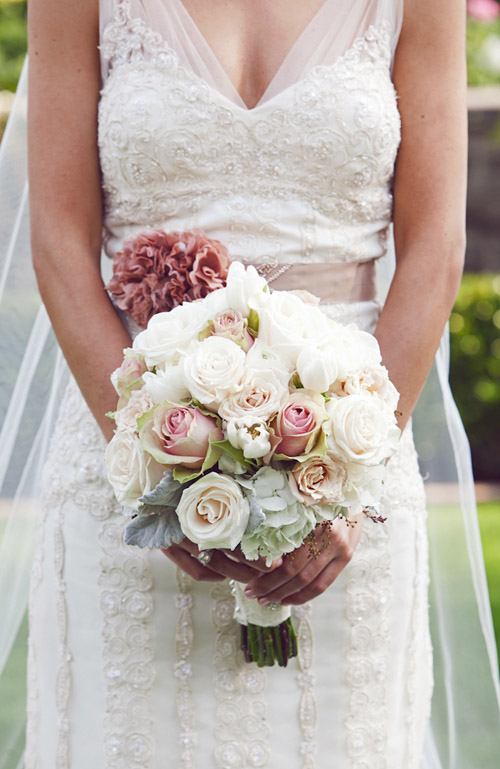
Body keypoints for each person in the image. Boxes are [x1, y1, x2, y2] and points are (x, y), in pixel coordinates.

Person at [0, 0, 499, 767]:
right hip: (126, 489)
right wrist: (156, 467)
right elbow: (60, 243)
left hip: (349, 505)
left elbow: (435, 245)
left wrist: (346, 484)